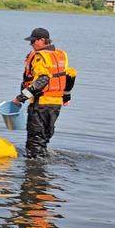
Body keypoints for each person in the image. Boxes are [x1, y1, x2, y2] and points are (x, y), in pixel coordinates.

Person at [13, 27, 77, 158]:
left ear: (43, 40)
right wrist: (66, 96)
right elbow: (70, 75)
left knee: (34, 142)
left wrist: (21, 98)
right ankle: (42, 170)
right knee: (44, 139)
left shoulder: (40, 57)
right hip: (55, 105)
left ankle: (34, 173)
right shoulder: (60, 55)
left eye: (33, 41)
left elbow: (43, 80)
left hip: (40, 105)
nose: (31, 44)